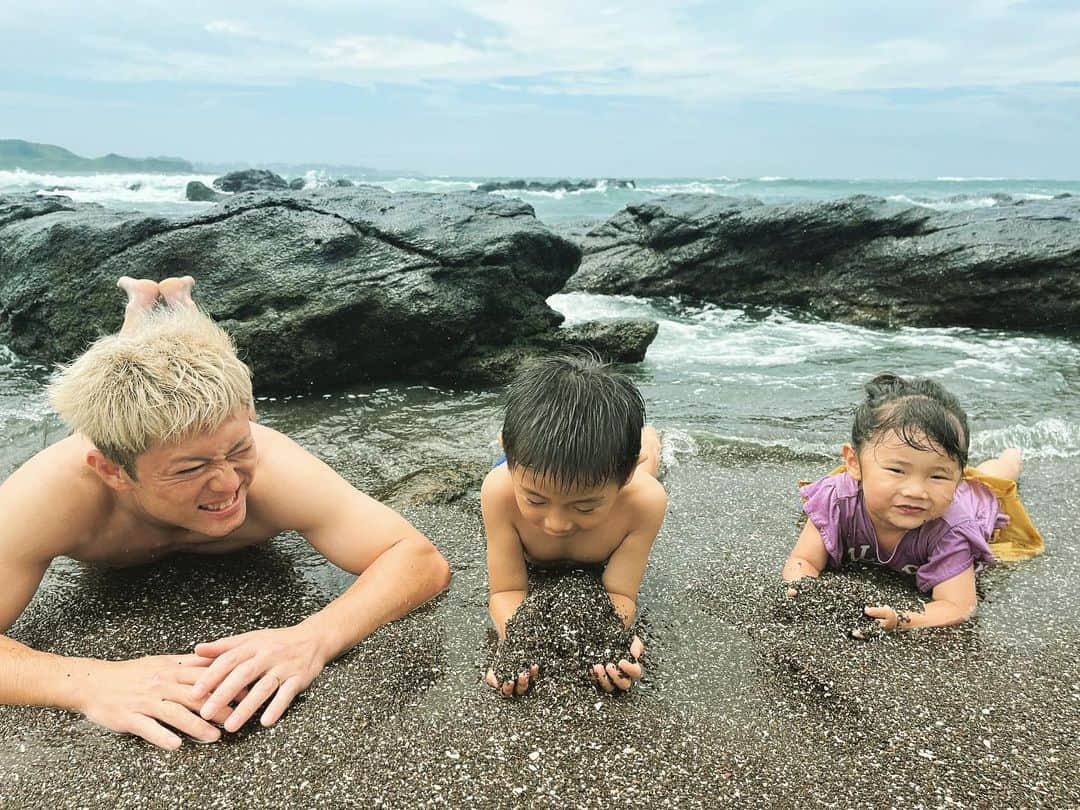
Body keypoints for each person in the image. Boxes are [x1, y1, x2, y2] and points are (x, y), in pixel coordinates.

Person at [0, 276, 451, 749]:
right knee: (124, 385)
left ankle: (181, 305)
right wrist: (87, 681)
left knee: (198, 369)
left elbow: (419, 558)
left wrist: (314, 637)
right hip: (118, 454)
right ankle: (138, 313)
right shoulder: (50, 496)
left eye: (240, 448)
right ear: (112, 473)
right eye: (190, 469)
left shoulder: (275, 466)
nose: (230, 483)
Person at [782, 372, 1043, 633]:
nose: (916, 491)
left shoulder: (951, 529)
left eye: (939, 475)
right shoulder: (837, 501)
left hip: (972, 502)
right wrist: (802, 591)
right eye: (897, 470)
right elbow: (803, 560)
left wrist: (902, 618)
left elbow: (957, 605)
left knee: (993, 477)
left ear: (957, 476)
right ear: (854, 463)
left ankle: (1012, 457)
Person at [481, 353, 667, 696]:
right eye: (536, 501)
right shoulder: (501, 492)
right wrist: (522, 643)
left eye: (585, 506)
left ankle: (648, 441)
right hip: (538, 465)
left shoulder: (643, 503)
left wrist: (609, 639)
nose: (557, 523)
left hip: (624, 476)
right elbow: (506, 590)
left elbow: (619, 593)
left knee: (649, 468)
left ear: (621, 477)